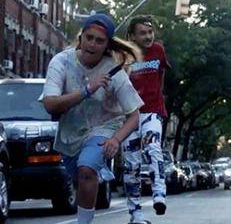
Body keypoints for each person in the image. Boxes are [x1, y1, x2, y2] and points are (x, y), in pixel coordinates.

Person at [41, 13, 144, 224]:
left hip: (104, 128)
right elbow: (50, 104)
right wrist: (88, 90)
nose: (92, 44)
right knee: (80, 178)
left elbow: (134, 116)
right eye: (89, 37)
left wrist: (116, 140)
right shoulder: (61, 62)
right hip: (70, 133)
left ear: (107, 45)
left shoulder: (114, 71)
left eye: (99, 41)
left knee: (87, 169)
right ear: (81, 38)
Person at [121, 15, 173, 223]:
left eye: (150, 32)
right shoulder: (124, 54)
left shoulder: (158, 51)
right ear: (132, 36)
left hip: (152, 110)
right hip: (129, 114)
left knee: (153, 147)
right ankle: (135, 213)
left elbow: (161, 75)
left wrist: (158, 98)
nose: (148, 36)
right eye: (142, 33)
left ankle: (159, 194)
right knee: (131, 163)